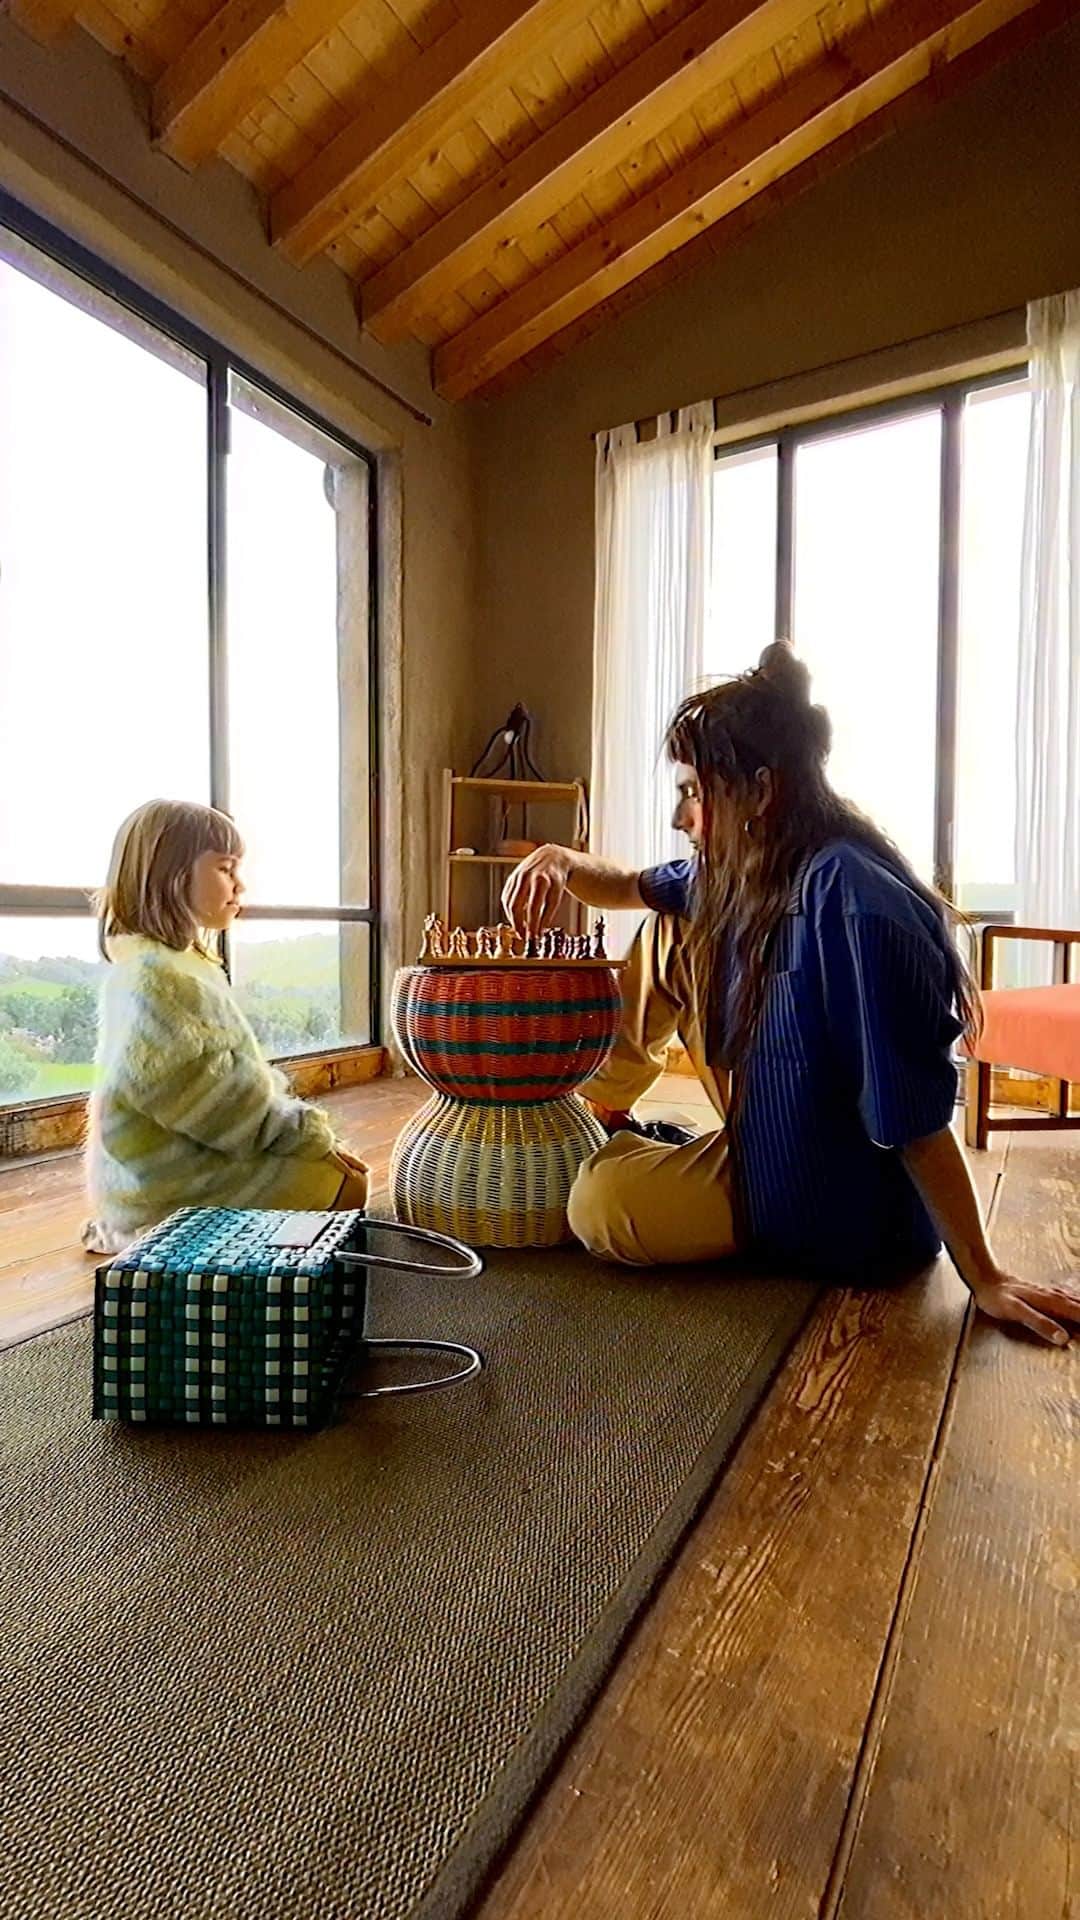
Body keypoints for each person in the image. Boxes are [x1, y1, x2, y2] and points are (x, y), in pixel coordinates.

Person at [503, 643, 1080, 1347]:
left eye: (693, 793)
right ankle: (606, 1110)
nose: (681, 818)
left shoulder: (855, 900)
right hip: (766, 1135)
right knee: (668, 926)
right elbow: (625, 886)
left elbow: (914, 1120)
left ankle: (631, 1153)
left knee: (599, 1203)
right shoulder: (746, 867)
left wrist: (984, 1275)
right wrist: (558, 860)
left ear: (761, 792)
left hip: (833, 1205)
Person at [82, 800, 369, 1256]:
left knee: (338, 1170)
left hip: (167, 1164)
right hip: (166, 1183)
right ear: (171, 875)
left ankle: (148, 1229)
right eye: (224, 867)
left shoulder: (163, 965)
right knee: (347, 1185)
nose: (240, 884)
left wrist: (298, 1131)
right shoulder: (159, 979)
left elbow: (230, 1084)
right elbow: (216, 1105)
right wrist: (309, 1137)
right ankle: (152, 1233)